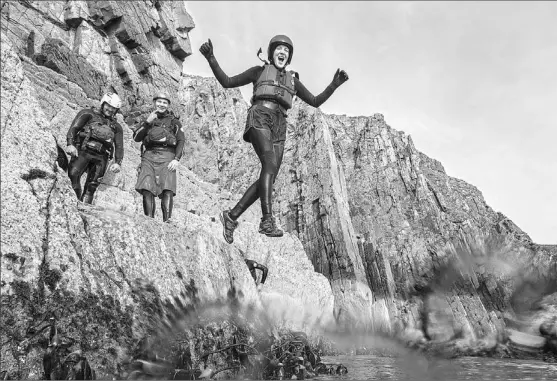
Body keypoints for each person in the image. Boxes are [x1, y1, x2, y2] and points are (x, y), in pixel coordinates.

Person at [199, 34, 349, 243]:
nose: (283, 52)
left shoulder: (293, 81)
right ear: (272, 53)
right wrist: (211, 58)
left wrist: (334, 84)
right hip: (260, 116)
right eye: (279, 48)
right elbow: (227, 82)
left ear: (289, 58)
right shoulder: (259, 71)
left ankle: (231, 217)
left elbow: (314, 101)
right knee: (269, 164)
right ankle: (267, 220)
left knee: (269, 175)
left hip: (280, 125)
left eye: (286, 51)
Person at [133, 93, 186, 223]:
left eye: (164, 102)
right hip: (149, 156)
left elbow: (181, 140)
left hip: (168, 156)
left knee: (167, 188)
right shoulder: (149, 120)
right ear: (154, 102)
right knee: (147, 187)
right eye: (159, 102)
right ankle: (149, 220)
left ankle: (167, 220)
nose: (161, 105)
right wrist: (147, 122)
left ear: (168, 105)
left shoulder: (174, 122)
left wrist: (176, 159)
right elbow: (136, 138)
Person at [65, 93, 124, 204]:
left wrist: (118, 162)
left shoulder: (117, 127)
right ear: (103, 103)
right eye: (108, 106)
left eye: (114, 108)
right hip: (83, 150)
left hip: (102, 157)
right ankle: (74, 203)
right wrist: (70, 144)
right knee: (73, 174)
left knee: (91, 187)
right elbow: (74, 128)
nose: (110, 110)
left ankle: (85, 209)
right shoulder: (88, 114)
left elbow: (119, 146)